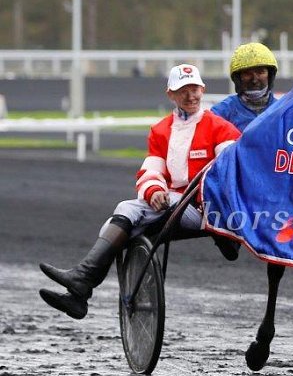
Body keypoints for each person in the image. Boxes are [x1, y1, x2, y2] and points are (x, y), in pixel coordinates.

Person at [38, 64, 242, 320]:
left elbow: (230, 174)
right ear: (171, 94)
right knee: (115, 226)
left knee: (126, 210)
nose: (190, 96)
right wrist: (154, 190)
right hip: (173, 205)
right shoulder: (161, 130)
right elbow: (151, 171)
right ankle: (78, 295)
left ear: (203, 89)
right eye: (183, 90)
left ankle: (82, 278)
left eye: (194, 89)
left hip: (205, 209)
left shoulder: (221, 128)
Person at [211, 42, 280, 132]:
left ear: (270, 76)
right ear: (238, 78)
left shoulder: (283, 111)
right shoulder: (221, 113)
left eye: (260, 72)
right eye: (247, 74)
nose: (254, 80)